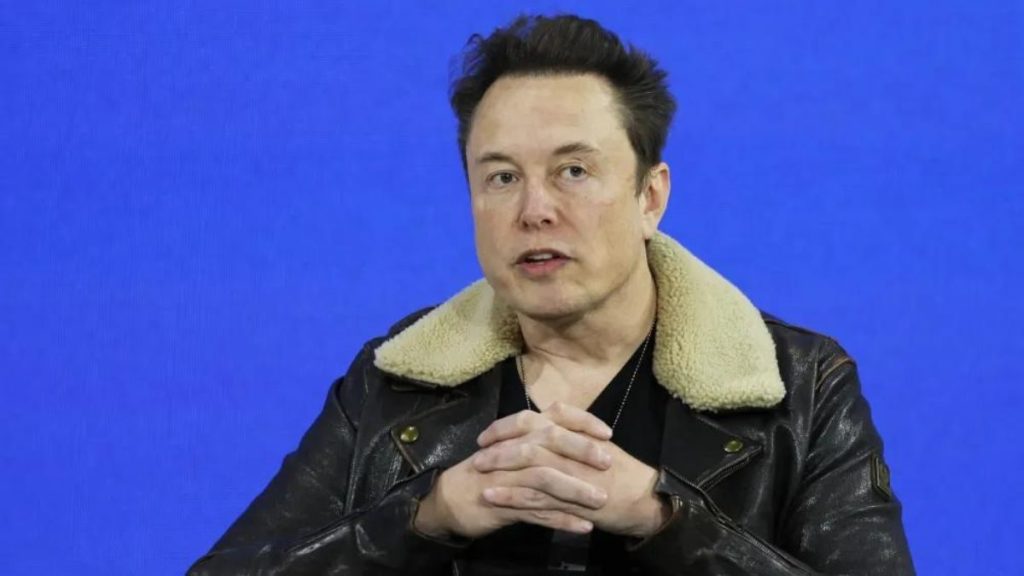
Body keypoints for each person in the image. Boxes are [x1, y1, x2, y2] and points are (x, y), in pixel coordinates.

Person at [188, 14, 915, 576]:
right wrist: (425, 517)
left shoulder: (801, 385)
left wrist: (666, 520)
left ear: (650, 197)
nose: (534, 210)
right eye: (501, 177)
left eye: (573, 171)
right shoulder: (392, 383)